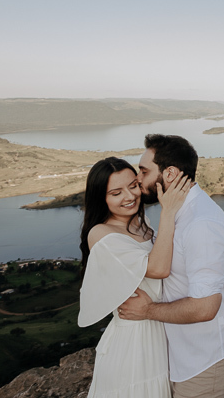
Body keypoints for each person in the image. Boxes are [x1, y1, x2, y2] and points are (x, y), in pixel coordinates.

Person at [118, 134, 224, 398]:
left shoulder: (201, 224)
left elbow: (206, 307)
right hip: (185, 356)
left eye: (143, 170)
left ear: (171, 173)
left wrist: (147, 310)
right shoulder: (176, 213)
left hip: (205, 360)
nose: (137, 179)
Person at [77, 156, 193, 398]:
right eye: (116, 193)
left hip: (156, 332)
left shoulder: (141, 224)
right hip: (132, 342)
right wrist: (169, 211)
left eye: (132, 186)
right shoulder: (101, 234)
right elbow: (158, 269)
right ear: (102, 198)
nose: (129, 197)